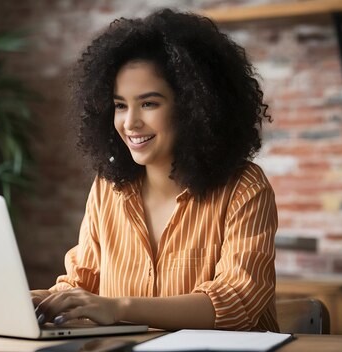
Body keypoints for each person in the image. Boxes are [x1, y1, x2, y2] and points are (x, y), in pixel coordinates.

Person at [32, 8, 278, 332]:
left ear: (193, 106)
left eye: (148, 103)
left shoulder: (244, 188)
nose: (130, 123)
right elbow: (81, 284)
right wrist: (41, 301)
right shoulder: (109, 187)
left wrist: (118, 307)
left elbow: (237, 302)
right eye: (120, 105)